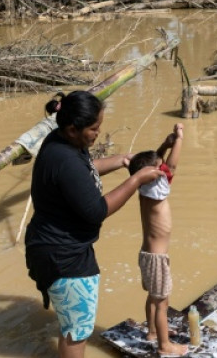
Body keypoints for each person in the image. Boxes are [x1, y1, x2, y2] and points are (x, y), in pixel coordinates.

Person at [25, 91, 162, 358]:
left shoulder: (61, 142)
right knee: (77, 333)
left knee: (71, 325)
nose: (98, 132)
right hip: (64, 256)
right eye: (94, 128)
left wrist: (123, 160)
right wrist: (135, 181)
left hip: (49, 245)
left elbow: (84, 169)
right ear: (73, 128)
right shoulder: (64, 159)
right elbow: (97, 210)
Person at [129, 123, 188, 356]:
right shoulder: (156, 185)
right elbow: (172, 164)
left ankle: (153, 332)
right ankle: (165, 346)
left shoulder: (146, 186)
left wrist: (164, 144)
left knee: (154, 298)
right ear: (154, 173)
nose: (162, 167)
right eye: (158, 167)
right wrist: (180, 138)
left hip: (148, 255)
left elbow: (156, 163)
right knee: (162, 302)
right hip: (156, 257)